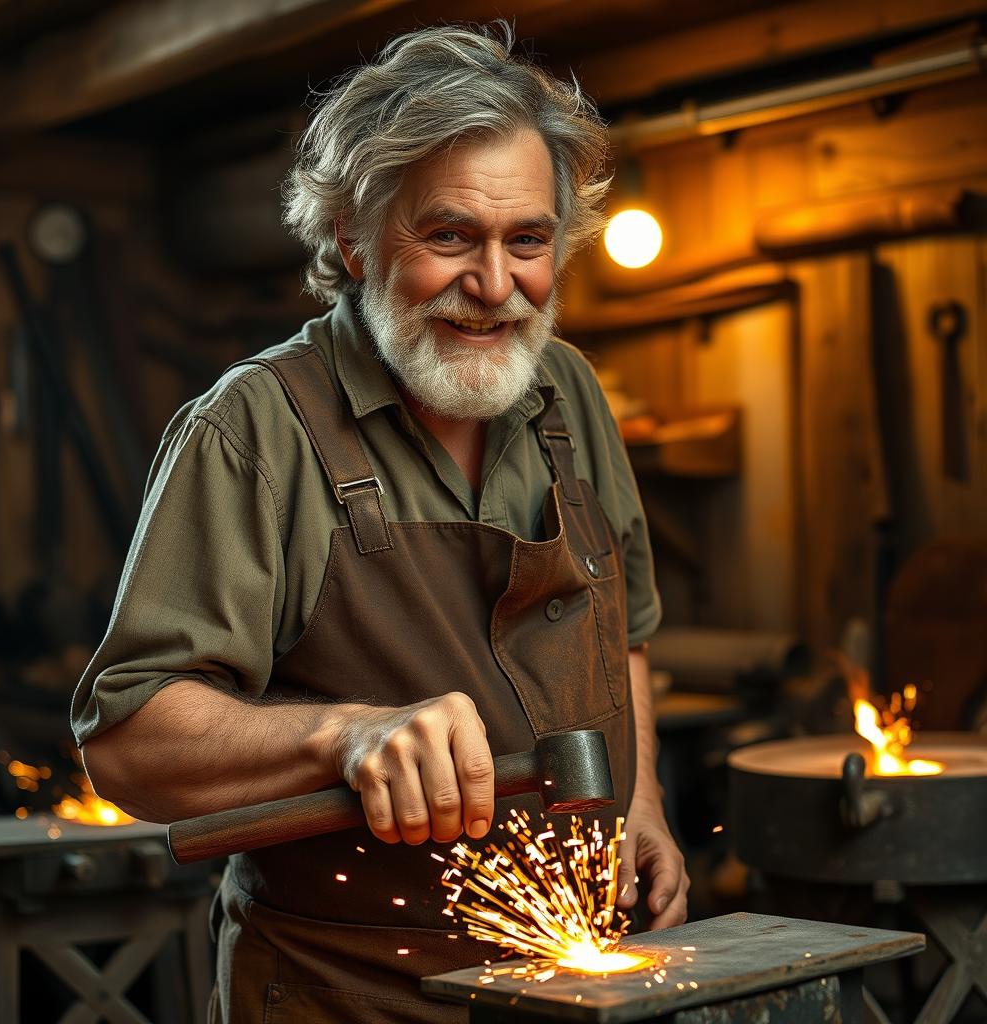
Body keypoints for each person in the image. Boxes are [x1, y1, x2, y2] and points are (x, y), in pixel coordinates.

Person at [72, 22, 688, 1023]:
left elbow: (622, 633)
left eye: (526, 240)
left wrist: (642, 806)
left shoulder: (567, 392)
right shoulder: (255, 431)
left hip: (573, 978)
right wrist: (345, 736)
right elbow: (127, 741)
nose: (494, 287)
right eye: (449, 236)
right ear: (354, 239)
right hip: (347, 990)